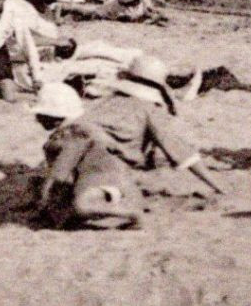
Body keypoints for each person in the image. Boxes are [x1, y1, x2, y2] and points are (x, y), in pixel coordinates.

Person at [35, 68, 222, 229]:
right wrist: (216, 185)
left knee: (70, 201)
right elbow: (182, 153)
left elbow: (63, 165)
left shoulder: (106, 102)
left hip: (95, 166)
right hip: (113, 167)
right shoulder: (148, 110)